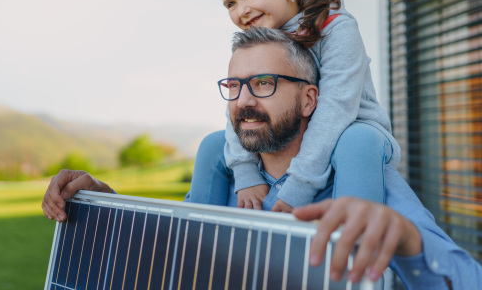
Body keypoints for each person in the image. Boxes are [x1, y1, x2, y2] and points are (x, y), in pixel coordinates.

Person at [43, 28, 482, 289]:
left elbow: (465, 280)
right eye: (234, 86)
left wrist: (407, 240)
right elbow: (168, 256)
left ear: (311, 99)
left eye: (265, 83)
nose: (244, 101)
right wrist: (100, 206)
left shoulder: (368, 185)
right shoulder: (225, 176)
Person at [209, 0, 399, 212]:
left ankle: (354, 243)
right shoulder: (258, 42)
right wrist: (246, 173)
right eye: (230, 3)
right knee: (213, 145)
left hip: (353, 134)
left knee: (356, 141)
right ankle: (190, 240)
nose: (242, 10)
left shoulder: (336, 28)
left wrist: (299, 184)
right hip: (293, 135)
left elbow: (337, 107)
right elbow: (238, 105)